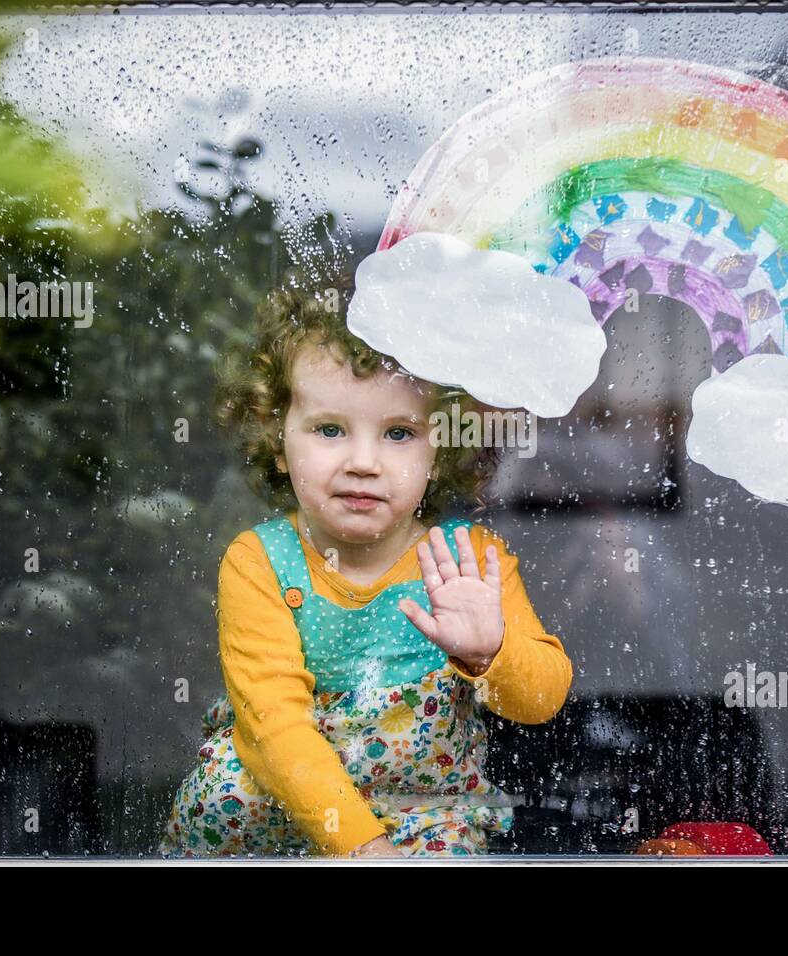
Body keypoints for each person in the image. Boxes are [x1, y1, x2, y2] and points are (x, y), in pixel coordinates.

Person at [159, 275, 573, 858]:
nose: (362, 462)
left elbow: (542, 699)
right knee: (230, 784)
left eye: (399, 433)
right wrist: (362, 847)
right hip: (276, 809)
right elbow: (272, 725)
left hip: (426, 816)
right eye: (330, 429)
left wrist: (490, 650)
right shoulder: (259, 562)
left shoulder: (469, 561)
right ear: (279, 441)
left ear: (441, 450)